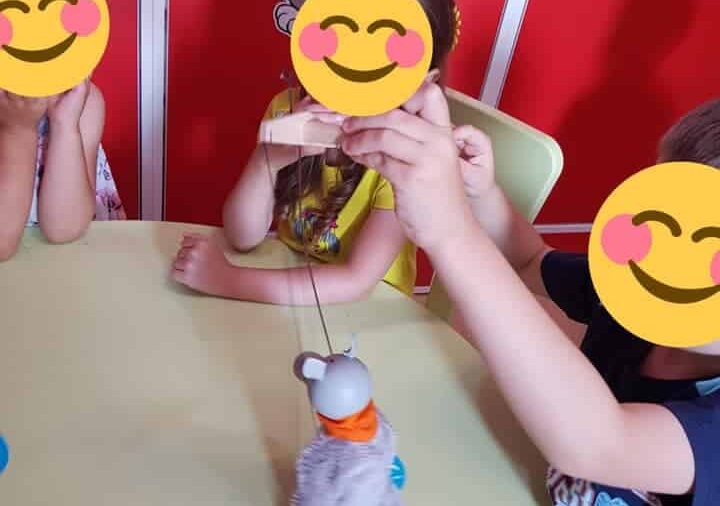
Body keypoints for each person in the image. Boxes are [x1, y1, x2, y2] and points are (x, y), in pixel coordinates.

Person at [340, 85, 720, 505]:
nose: (674, 259)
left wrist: (451, 233)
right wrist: (477, 192)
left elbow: (600, 445)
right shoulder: (636, 292)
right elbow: (530, 260)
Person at [171, 0, 458, 305]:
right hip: (289, 289)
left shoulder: (404, 156)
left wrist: (227, 279)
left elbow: (356, 281)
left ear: (424, 84)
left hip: (372, 310)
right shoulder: (287, 110)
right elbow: (242, 237)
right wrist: (268, 160)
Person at [0, 80, 126, 261]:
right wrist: (18, 130)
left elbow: (64, 229)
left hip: (67, 264)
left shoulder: (77, 100)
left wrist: (64, 123)